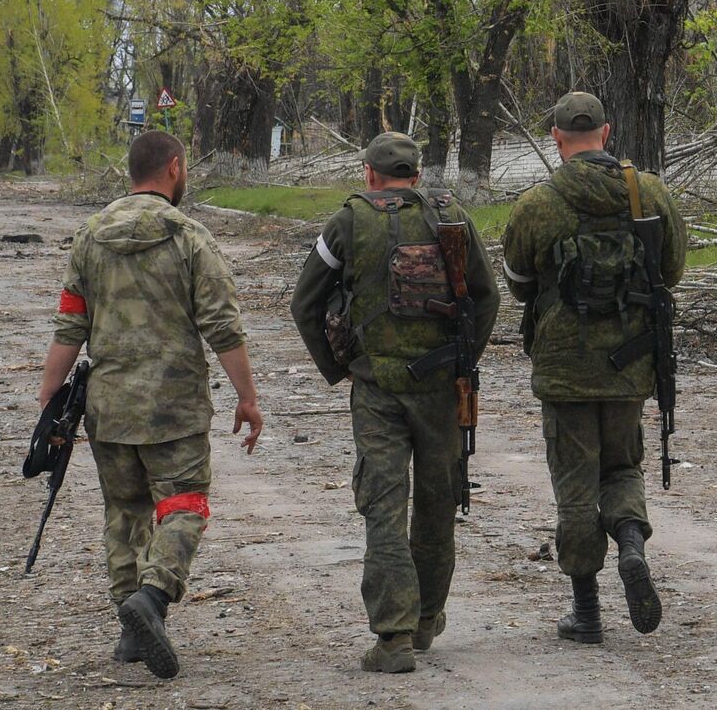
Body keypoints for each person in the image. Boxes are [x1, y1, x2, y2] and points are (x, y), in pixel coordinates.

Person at [35, 130, 263, 680]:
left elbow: (70, 326)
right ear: (176, 168)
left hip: (109, 410)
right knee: (184, 506)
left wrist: (48, 402)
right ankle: (154, 598)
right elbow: (222, 326)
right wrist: (247, 398)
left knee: (125, 513)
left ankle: (128, 629)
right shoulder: (191, 239)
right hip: (175, 407)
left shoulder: (88, 239)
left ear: (130, 172)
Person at [289, 132, 501, 673]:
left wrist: (339, 368)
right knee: (437, 503)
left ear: (369, 174)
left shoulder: (349, 222)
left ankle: (394, 637)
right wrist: (462, 359)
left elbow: (305, 303)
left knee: (383, 508)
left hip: (377, 389)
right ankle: (427, 617)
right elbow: (488, 295)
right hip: (441, 389)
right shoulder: (452, 216)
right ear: (417, 172)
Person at [500, 92, 686, 644]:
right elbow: (671, 270)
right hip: (630, 363)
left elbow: (518, 281)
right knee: (623, 466)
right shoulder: (647, 191)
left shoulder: (539, 202)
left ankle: (586, 613)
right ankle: (630, 539)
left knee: (574, 483)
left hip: (564, 369)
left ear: (556, 139)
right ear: (607, 133)